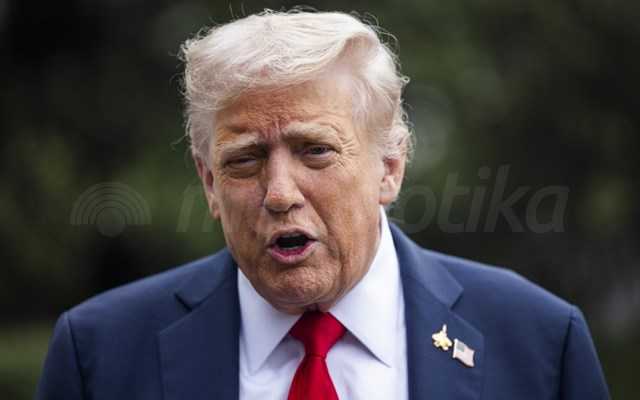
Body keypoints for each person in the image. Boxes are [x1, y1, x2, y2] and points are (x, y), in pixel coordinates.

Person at [36, 10, 609, 400]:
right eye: (245, 160)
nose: (280, 193)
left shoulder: (538, 340)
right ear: (209, 182)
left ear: (389, 167)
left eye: (315, 151)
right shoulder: (99, 354)